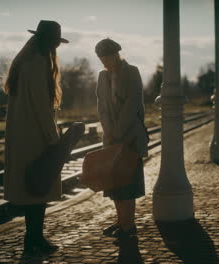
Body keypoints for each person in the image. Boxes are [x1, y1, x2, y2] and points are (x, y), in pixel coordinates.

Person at [2, 20, 68, 255]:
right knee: (39, 190)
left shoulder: (24, 62)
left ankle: (34, 239)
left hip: (23, 136)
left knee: (33, 191)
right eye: (55, 43)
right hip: (36, 138)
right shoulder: (38, 64)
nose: (56, 49)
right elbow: (41, 108)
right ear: (49, 42)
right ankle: (34, 241)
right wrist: (55, 141)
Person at [95, 38, 148, 263]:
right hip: (111, 138)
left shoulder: (132, 72)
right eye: (101, 59)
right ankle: (121, 222)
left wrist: (117, 132)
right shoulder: (101, 76)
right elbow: (101, 106)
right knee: (115, 183)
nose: (105, 62)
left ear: (117, 54)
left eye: (107, 58)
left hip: (129, 137)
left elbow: (133, 104)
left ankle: (128, 226)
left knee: (128, 181)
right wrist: (108, 131)